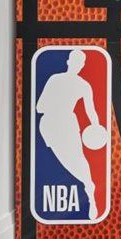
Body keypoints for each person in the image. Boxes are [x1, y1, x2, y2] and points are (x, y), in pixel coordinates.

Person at [36, 49, 102, 216]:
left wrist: (96, 127)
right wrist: (96, 126)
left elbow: (40, 107)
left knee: (74, 158)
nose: (78, 65)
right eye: (77, 62)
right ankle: (89, 187)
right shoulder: (79, 84)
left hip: (56, 123)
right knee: (71, 159)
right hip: (56, 124)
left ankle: (89, 190)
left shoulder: (61, 81)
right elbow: (39, 107)